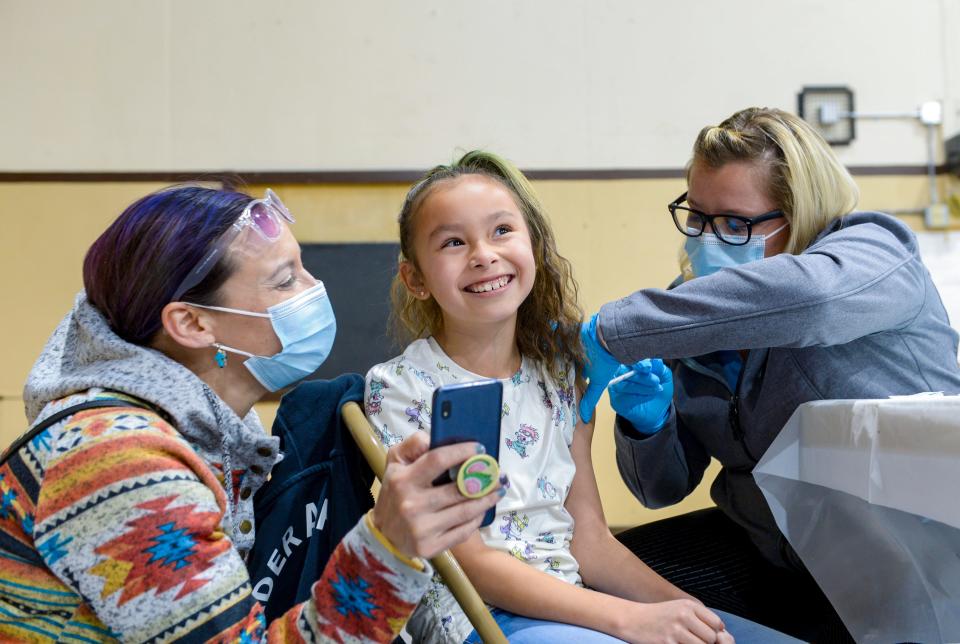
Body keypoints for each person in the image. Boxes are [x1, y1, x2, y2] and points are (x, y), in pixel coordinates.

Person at [0, 185, 503, 642]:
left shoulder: (214, 431)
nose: (314, 288)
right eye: (285, 281)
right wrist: (387, 547)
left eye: (302, 267)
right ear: (193, 323)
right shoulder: (118, 459)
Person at [365, 150, 799, 643]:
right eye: (453, 242)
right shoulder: (402, 387)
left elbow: (590, 540)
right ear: (415, 279)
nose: (483, 254)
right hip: (478, 621)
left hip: (575, 605)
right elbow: (474, 565)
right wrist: (631, 620)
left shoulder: (560, 375)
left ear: (534, 246)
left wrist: (688, 611)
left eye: (502, 231)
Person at [579, 107, 960, 642]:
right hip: (771, 551)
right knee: (598, 595)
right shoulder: (693, 313)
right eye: (697, 217)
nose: (708, 240)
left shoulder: (872, 253)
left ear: (799, 213)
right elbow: (664, 488)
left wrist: (613, 330)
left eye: (736, 224)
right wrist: (649, 425)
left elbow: (816, 302)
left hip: (903, 563)